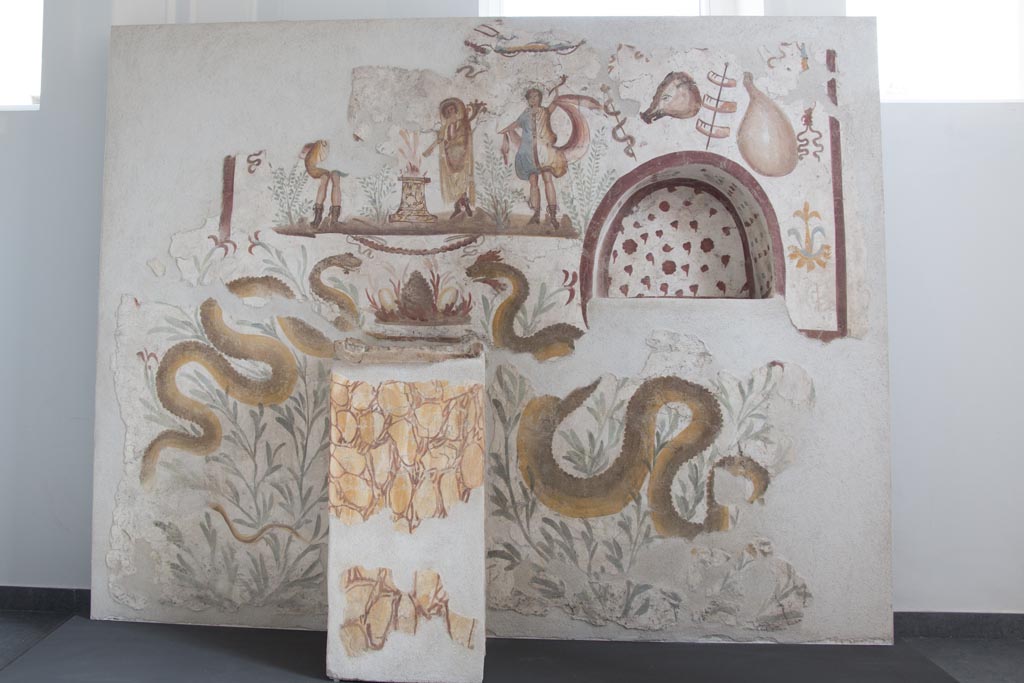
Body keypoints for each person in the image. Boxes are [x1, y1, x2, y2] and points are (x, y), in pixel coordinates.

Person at [423, 98, 485, 220]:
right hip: (449, 158)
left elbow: (464, 138)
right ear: (446, 114)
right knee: (453, 182)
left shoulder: (462, 124)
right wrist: (430, 149)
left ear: (456, 110)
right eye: (448, 111)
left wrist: (453, 143)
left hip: (461, 156)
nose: (451, 112)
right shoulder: (445, 127)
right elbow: (440, 139)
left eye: (452, 109)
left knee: (462, 180)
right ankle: (461, 204)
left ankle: (462, 204)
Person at [301, 140, 344, 230]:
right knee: (333, 179)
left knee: (329, 179)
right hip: (323, 152)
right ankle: (332, 220)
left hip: (324, 152)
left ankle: (320, 219)